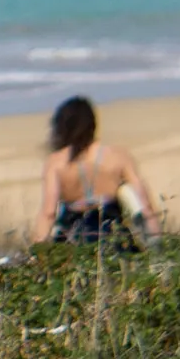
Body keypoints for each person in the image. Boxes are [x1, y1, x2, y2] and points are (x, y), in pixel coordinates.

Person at [37, 96, 155, 246]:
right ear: (93, 124)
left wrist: (38, 253)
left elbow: (49, 213)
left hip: (74, 236)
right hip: (113, 234)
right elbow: (145, 207)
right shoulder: (118, 156)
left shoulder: (56, 163)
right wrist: (155, 244)